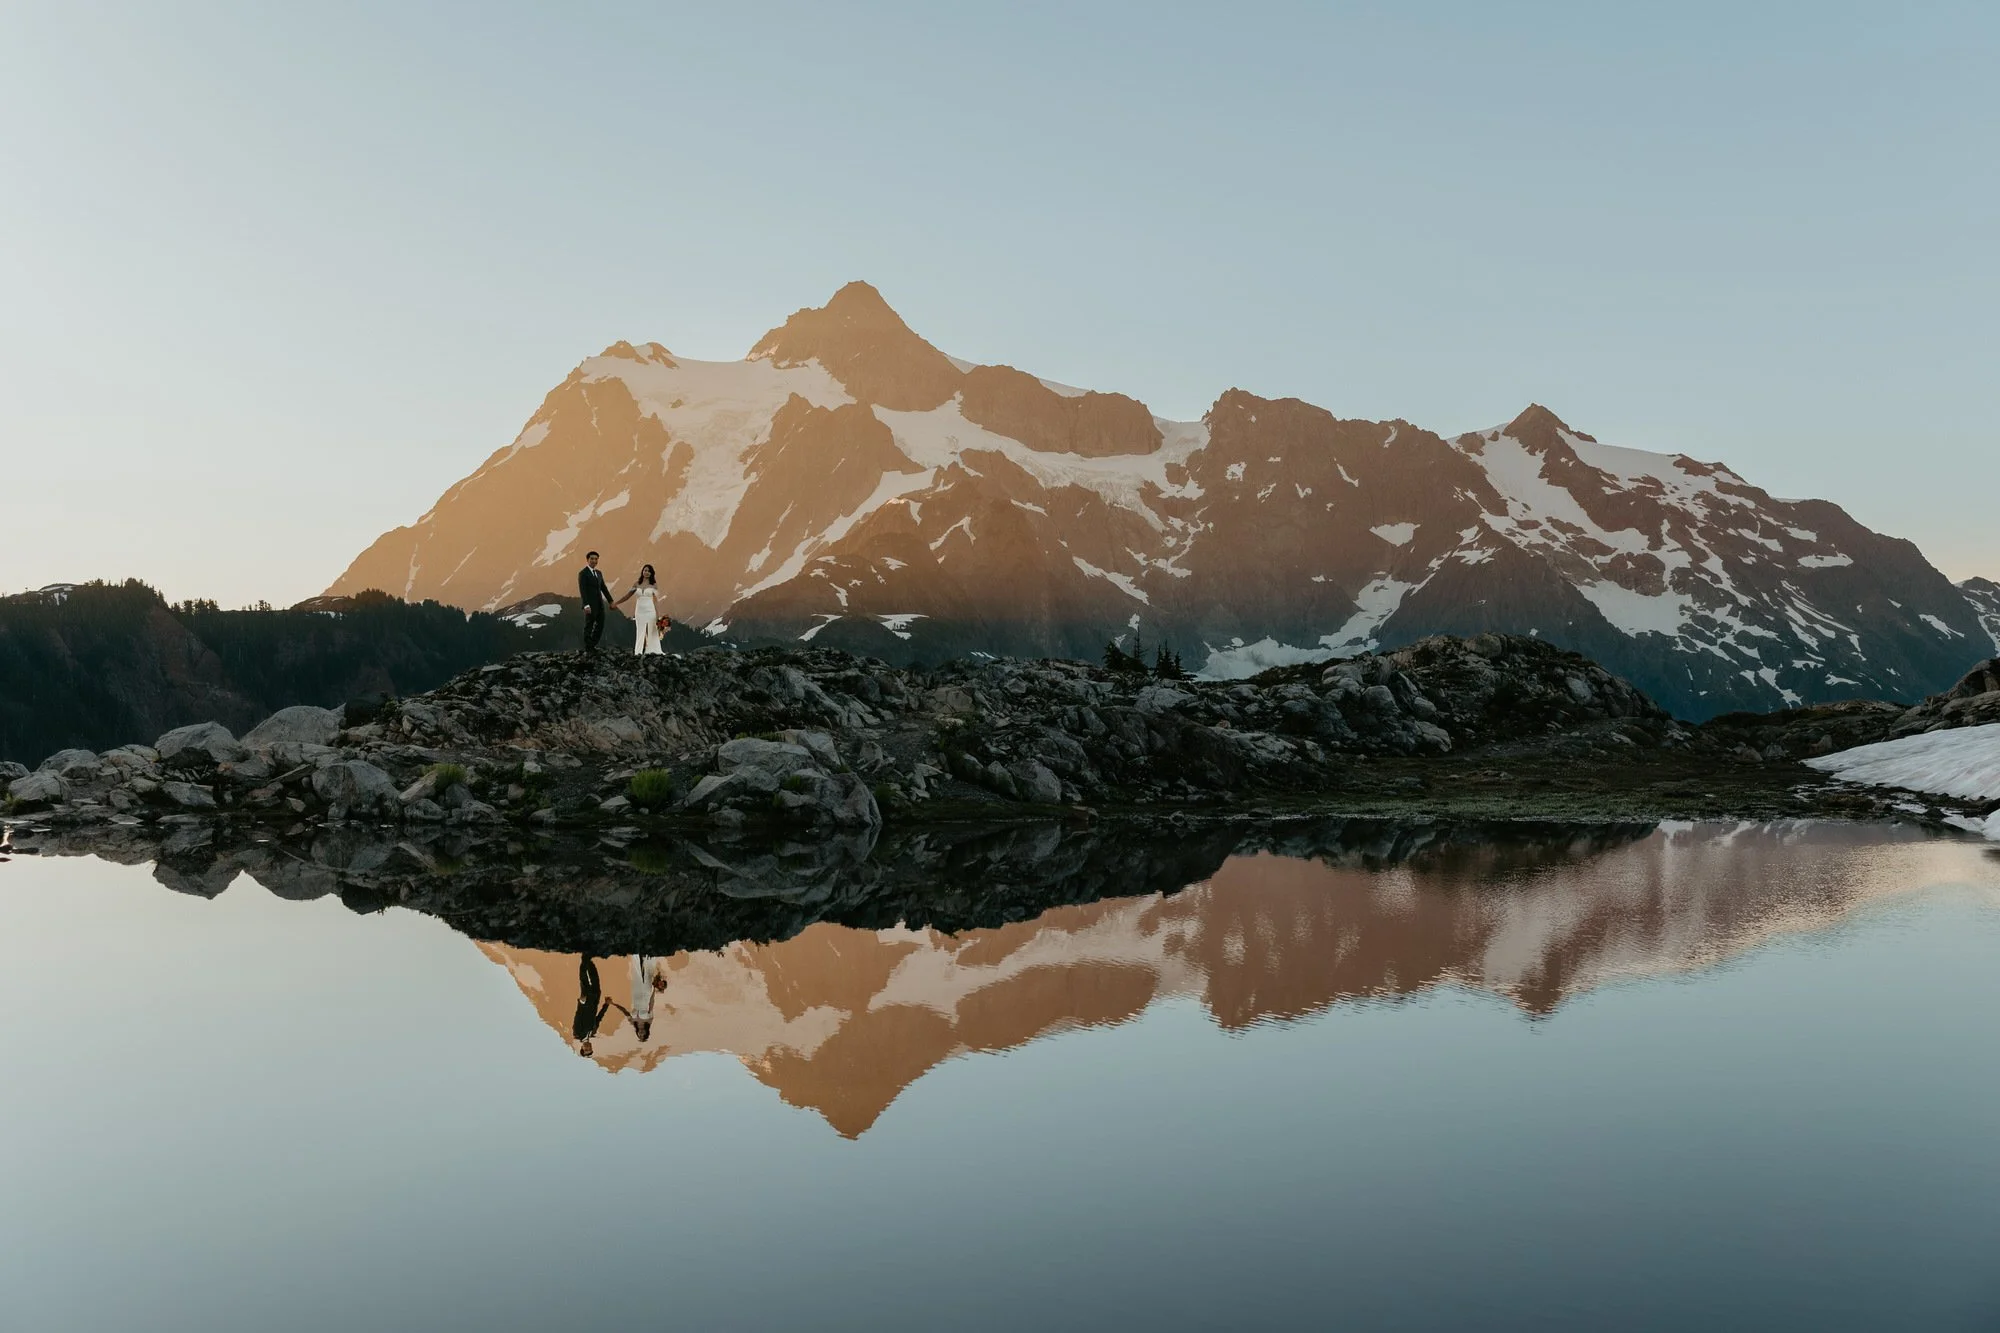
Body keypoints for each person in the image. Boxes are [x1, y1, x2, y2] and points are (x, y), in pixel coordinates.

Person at [619, 564, 669, 656]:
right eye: (645, 570)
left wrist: (658, 615)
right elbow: (627, 595)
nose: (646, 572)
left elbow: (655, 600)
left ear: (651, 573)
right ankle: (637, 652)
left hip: (650, 611)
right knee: (640, 631)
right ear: (642, 572)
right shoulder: (636, 583)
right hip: (639, 611)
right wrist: (617, 603)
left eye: (648, 571)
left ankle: (653, 651)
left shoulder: (653, 585)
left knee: (652, 631)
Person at [577, 551, 612, 652]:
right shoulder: (583, 573)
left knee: (600, 624)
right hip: (590, 605)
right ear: (587, 560)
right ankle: (588, 646)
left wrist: (610, 601)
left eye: (596, 559)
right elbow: (582, 590)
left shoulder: (599, 573)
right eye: (592, 559)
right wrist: (586, 605)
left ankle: (592, 644)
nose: (594, 561)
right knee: (589, 625)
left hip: (600, 604)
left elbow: (603, 588)